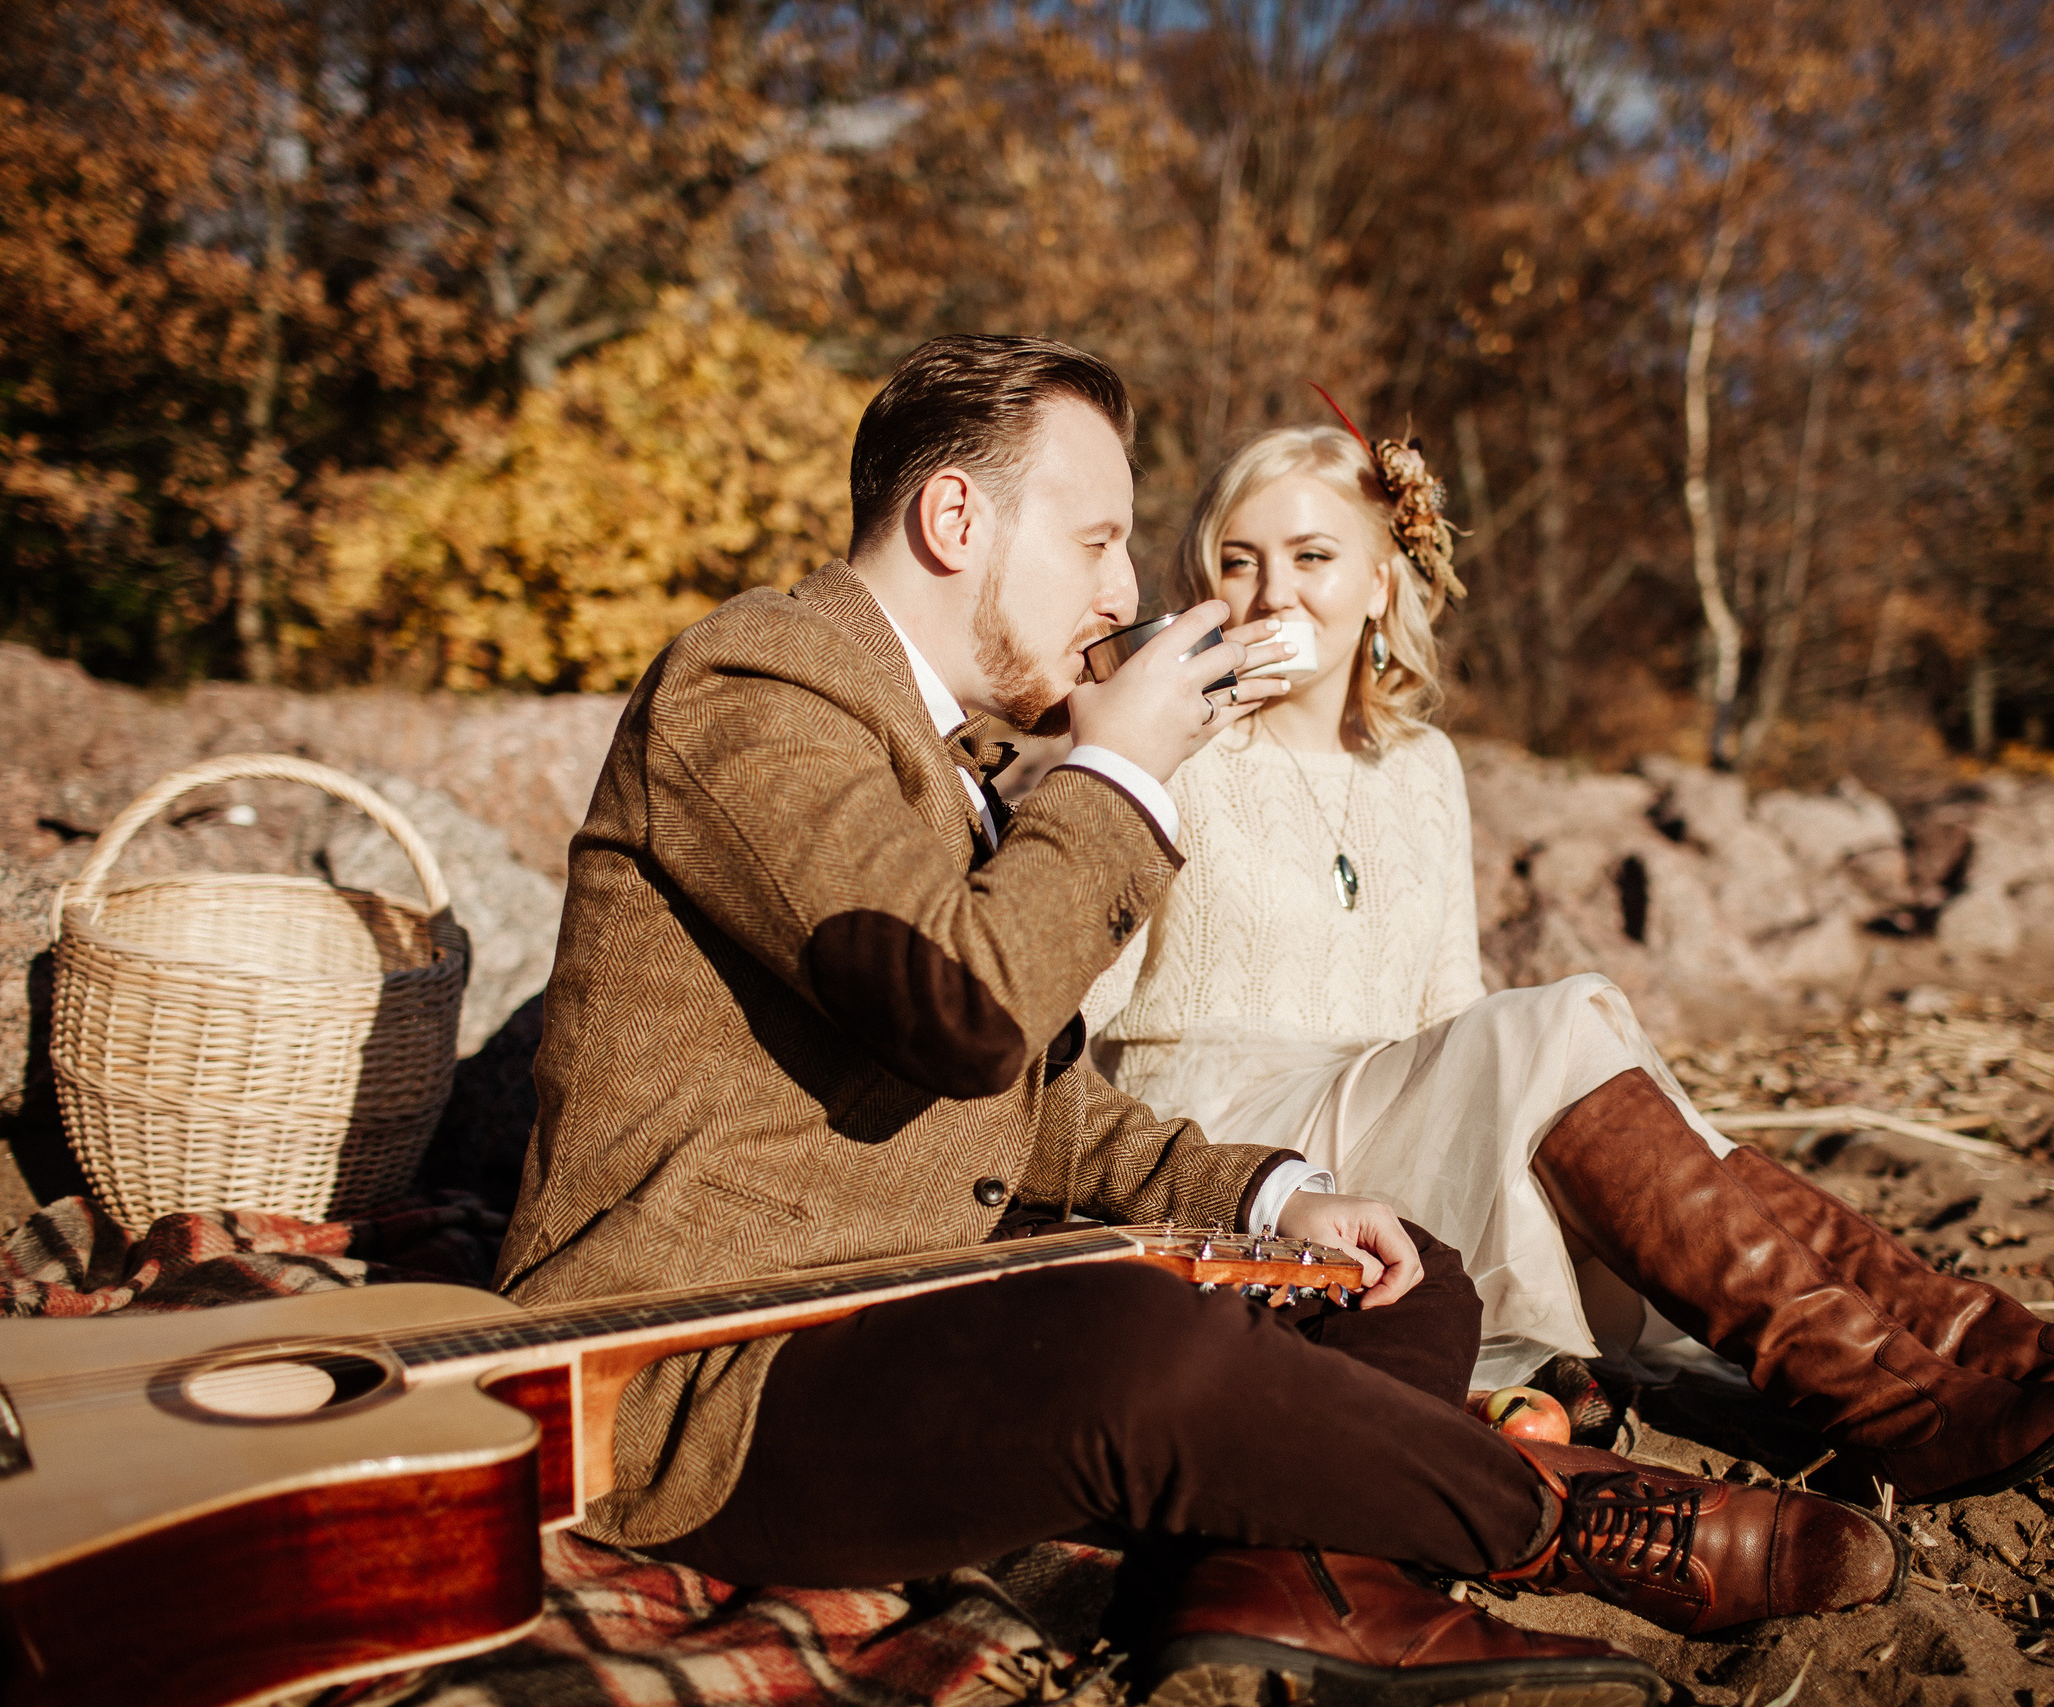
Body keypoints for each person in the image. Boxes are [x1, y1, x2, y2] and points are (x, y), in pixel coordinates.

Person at [493, 336, 1908, 1707]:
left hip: (898, 1306)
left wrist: (1272, 1188)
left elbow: (1030, 1100)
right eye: (1098, 538)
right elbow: (959, 1011)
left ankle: (1287, 1589)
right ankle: (1548, 1510)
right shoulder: (759, 687)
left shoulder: (963, 753)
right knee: (1126, 1340)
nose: (1127, 584)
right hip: (697, 1379)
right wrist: (1121, 765)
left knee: (1404, 1270)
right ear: (952, 515)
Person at [1084, 416, 2054, 1522]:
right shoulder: (1172, 745)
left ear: (1381, 581)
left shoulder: (1422, 766)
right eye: (1236, 561)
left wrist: (1512, 1123)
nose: (1270, 593)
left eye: (1310, 557)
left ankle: (2052, 1381)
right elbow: (1072, 1017)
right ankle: (1904, 1403)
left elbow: (1449, 1009)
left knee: (1563, 1060)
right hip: (1235, 1136)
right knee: (1554, 1027)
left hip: (1399, 1119)